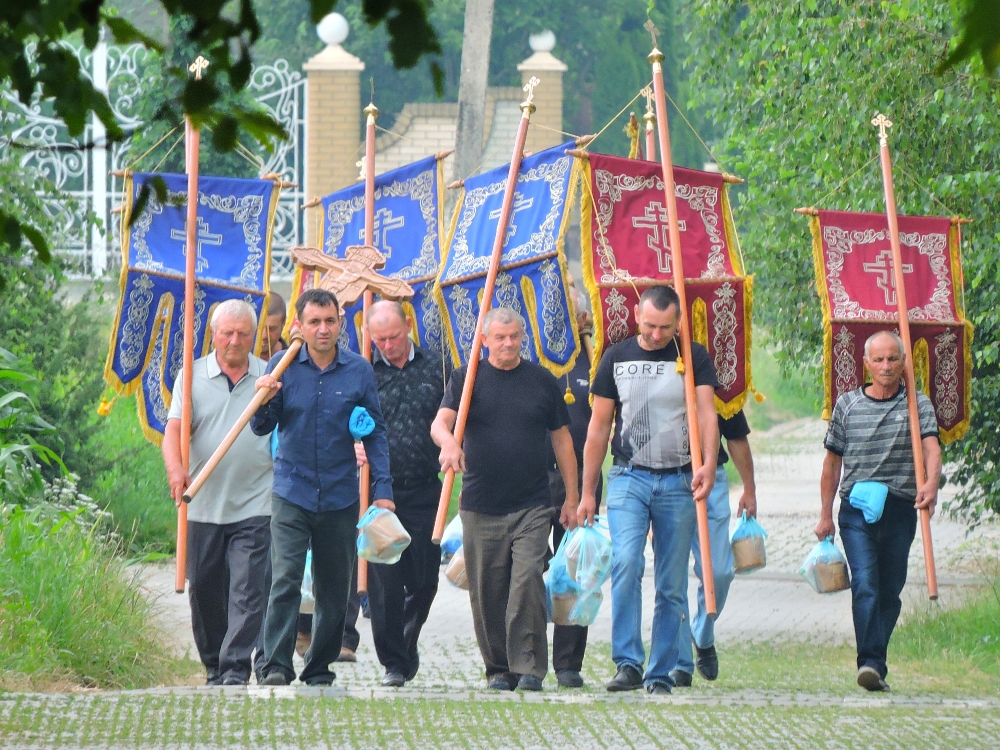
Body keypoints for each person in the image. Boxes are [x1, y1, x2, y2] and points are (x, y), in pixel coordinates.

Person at [578, 285, 720, 695]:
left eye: (664, 327)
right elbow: (599, 428)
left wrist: (708, 463)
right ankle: (628, 662)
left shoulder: (691, 357)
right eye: (649, 325)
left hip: (679, 479)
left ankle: (660, 672)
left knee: (671, 582)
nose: (656, 335)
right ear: (637, 317)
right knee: (625, 562)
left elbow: (707, 414)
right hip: (629, 476)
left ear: (677, 322)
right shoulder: (616, 357)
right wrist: (589, 492)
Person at [250, 288, 393, 686]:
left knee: (334, 587)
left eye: (330, 321)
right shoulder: (283, 365)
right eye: (314, 322)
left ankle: (319, 667)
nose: (323, 329)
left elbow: (376, 432)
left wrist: (383, 488)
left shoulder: (359, 370)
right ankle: (275, 664)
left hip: (339, 494)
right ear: (300, 326)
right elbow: (261, 427)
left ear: (340, 324)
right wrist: (263, 399)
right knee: (285, 579)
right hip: (291, 491)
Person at [431, 307, 579, 692]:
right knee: (488, 590)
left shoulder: (542, 380)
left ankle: (529, 666)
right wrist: (449, 444)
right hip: (480, 504)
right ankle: (498, 668)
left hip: (532, 503)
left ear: (522, 337)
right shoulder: (467, 379)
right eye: (500, 337)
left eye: (514, 336)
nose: (508, 343)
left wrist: (573, 496)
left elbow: (562, 440)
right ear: (484, 340)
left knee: (527, 580)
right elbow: (440, 423)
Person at [816, 330, 940, 692]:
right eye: (879, 359)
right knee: (866, 585)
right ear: (866, 363)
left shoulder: (918, 405)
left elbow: (931, 448)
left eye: (893, 359)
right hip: (855, 508)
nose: (886, 366)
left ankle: (875, 664)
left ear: (904, 363)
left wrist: (931, 482)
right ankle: (870, 662)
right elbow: (832, 462)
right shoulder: (848, 405)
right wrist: (825, 514)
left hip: (901, 507)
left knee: (890, 591)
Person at [161, 299, 273, 686]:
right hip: (202, 503)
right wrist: (176, 469)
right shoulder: (190, 376)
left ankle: (235, 670)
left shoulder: (269, 376)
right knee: (205, 591)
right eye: (227, 332)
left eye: (243, 333)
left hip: (256, 501)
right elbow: (173, 431)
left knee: (247, 589)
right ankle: (213, 665)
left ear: (253, 336)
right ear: (213, 333)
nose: (235, 340)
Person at [356, 300, 448, 687]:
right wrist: (353, 444)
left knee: (425, 581)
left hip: (427, 486)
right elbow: (345, 420)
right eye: (380, 339)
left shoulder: (437, 366)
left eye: (394, 336)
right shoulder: (363, 372)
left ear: (408, 326)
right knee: (385, 586)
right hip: (379, 491)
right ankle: (394, 661)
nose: (389, 345)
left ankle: (406, 643)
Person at [669, 409, 757, 687]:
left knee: (720, 571)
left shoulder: (712, 375)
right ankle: (681, 661)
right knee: (673, 576)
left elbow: (736, 435)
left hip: (711, 477)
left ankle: (702, 633)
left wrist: (749, 488)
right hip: (664, 478)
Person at [547, 290, 600, 689]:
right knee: (527, 569)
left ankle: (567, 662)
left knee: (575, 569)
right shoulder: (530, 354)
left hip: (582, 479)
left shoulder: (596, 359)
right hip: (532, 477)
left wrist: (585, 489)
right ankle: (525, 657)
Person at [265, 291, 288, 359]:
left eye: (271, 329)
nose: (265, 335)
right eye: (259, 328)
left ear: (283, 323)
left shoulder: (294, 362)